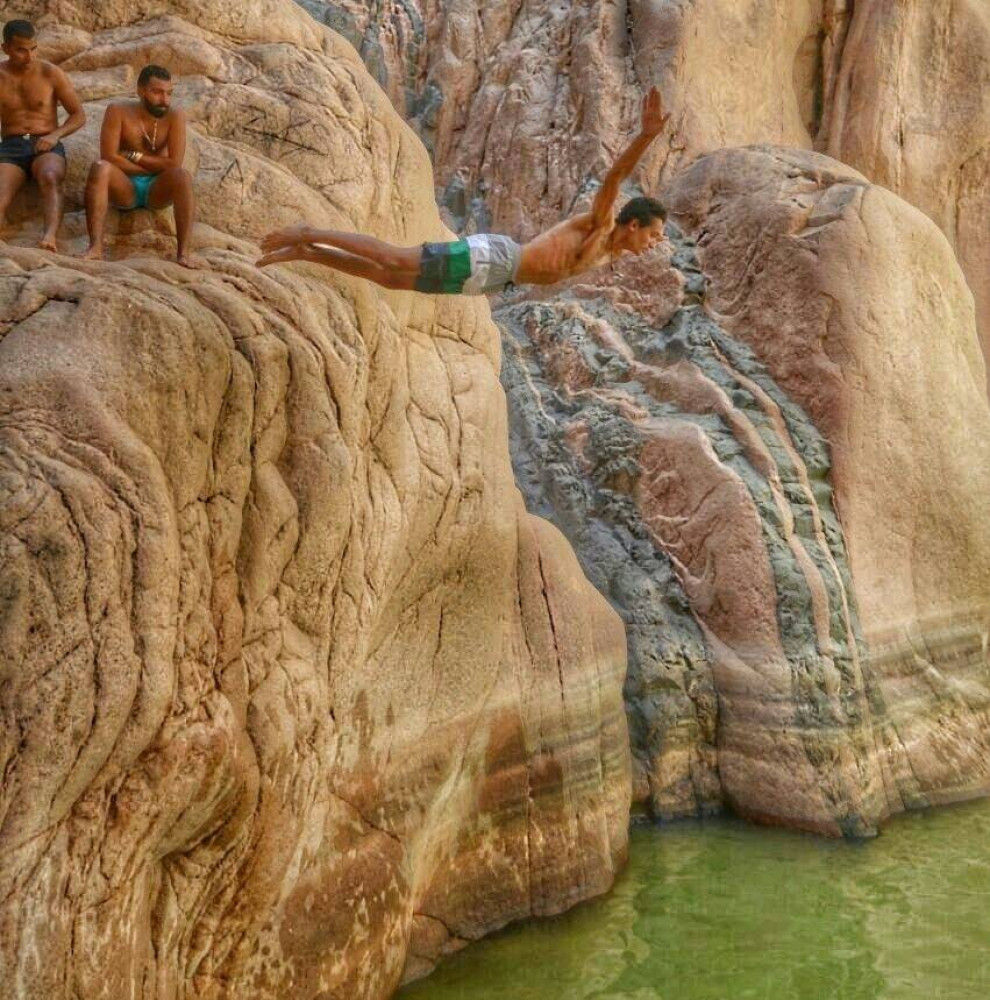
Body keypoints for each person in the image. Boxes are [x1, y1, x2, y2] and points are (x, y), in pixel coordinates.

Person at [256, 87, 671, 294]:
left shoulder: (610, 254)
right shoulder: (600, 225)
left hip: (497, 280)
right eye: (653, 235)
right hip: (495, 258)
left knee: (390, 279)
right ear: (632, 224)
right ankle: (307, 234)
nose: (654, 244)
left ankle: (309, 253)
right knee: (392, 258)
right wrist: (646, 137)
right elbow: (614, 177)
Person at [81, 64, 196, 266]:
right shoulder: (118, 111)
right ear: (140, 90)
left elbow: (174, 163)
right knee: (100, 167)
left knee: (182, 176)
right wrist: (156, 166)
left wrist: (135, 157)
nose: (164, 100)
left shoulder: (174, 116)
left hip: (157, 189)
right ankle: (96, 247)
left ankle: (183, 254)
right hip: (125, 187)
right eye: (157, 92)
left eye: (169, 93)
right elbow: (109, 156)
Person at [0, 18, 85, 251]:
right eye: (21, 50)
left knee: (50, 176)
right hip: (10, 146)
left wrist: (55, 135)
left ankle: (49, 237)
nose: (29, 56)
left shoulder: (50, 72)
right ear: (5, 48)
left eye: (33, 49)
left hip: (45, 142)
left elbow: (78, 114)